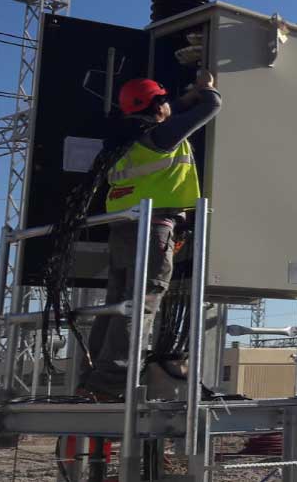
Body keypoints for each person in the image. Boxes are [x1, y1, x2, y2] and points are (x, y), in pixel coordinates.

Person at [79, 69, 221, 400]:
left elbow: (172, 111)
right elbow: (210, 107)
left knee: (117, 305)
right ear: (157, 107)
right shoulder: (160, 137)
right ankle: (111, 384)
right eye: (164, 101)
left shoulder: (126, 140)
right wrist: (207, 88)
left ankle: (92, 379)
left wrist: (183, 98)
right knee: (141, 304)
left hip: (124, 227)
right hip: (153, 230)